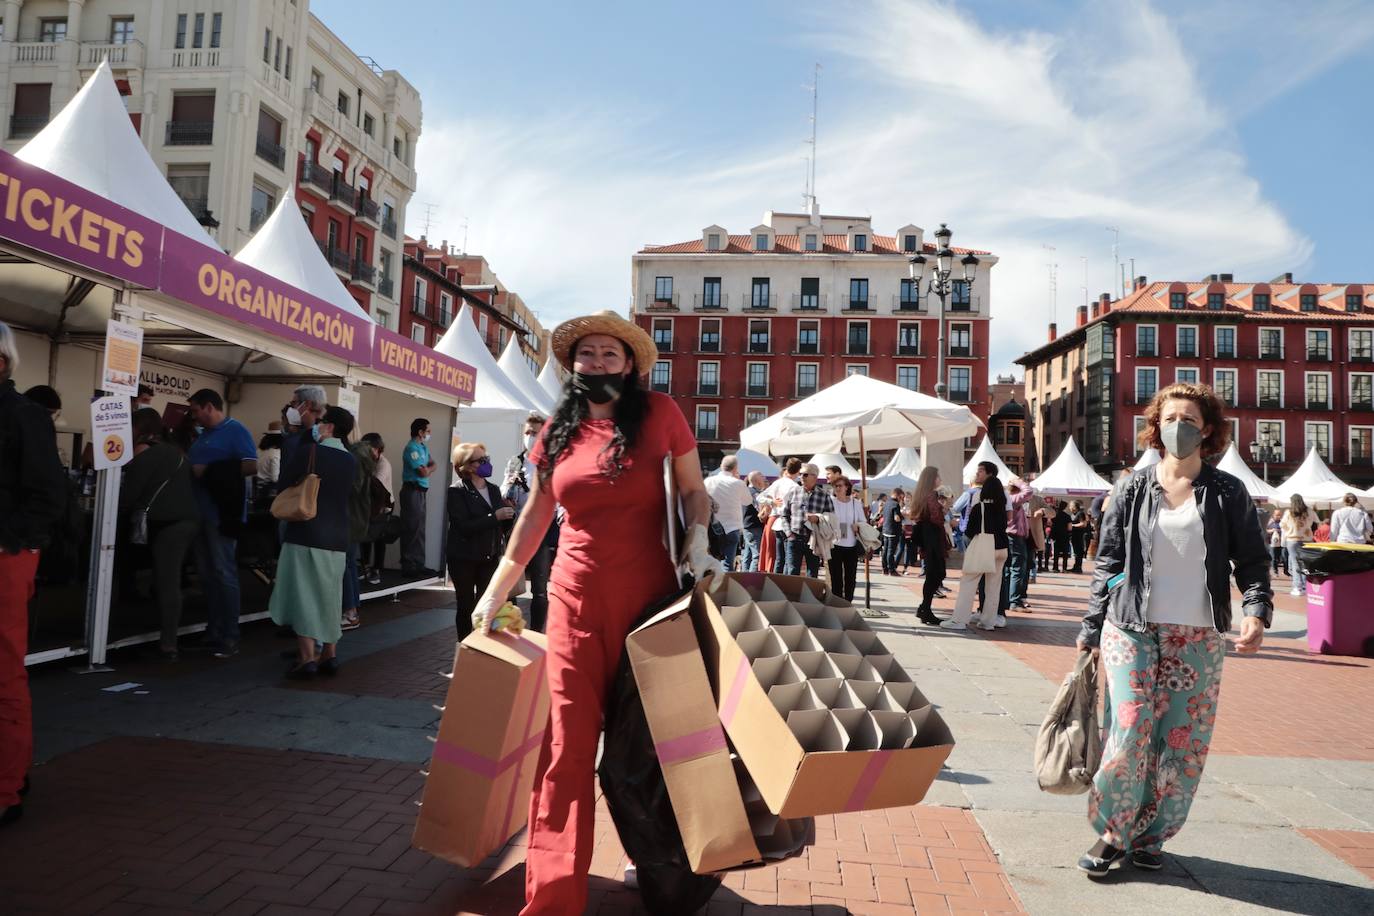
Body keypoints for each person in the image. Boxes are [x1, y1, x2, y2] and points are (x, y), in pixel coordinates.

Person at [466, 310, 721, 913]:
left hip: (652, 605)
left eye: (610, 354)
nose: (598, 363)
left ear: (629, 365)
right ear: (572, 366)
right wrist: (499, 586)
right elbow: (534, 516)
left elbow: (693, 489)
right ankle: (553, 895)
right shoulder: (555, 431)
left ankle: (666, 872)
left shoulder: (661, 415)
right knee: (566, 748)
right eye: (587, 355)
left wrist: (701, 536)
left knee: (653, 749)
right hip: (574, 600)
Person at [1076, 382, 1270, 876]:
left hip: (1198, 633)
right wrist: (1092, 627)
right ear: (1155, 426)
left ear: (1207, 430)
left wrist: (1255, 610)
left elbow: (1251, 561)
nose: (1177, 426)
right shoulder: (1131, 487)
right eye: (1169, 417)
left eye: (1188, 418)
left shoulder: (1228, 492)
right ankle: (1113, 832)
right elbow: (1109, 563)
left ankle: (1152, 835)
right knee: (1131, 726)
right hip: (1130, 626)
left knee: (1179, 742)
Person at [0, 322, 65, 827]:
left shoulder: (24, 416)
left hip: (7, 554)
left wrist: (16, 540)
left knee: (4, 672)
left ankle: (6, 785)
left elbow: (47, 492)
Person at [120, 408, 200, 659]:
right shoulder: (177, 452)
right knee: (168, 579)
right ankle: (167, 638)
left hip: (166, 524)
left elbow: (128, 498)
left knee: (167, 581)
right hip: (186, 522)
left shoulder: (145, 456)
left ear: (140, 430)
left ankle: (168, 643)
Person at [186, 388, 257, 658]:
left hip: (221, 515)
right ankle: (214, 630)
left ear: (208, 407)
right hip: (201, 513)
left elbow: (251, 466)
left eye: (195, 410)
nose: (193, 416)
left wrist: (212, 471)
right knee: (207, 574)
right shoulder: (203, 436)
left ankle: (229, 634)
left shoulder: (235, 430)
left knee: (223, 572)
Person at [449, 441, 514, 639]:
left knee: (486, 606)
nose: (486, 463)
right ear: (467, 466)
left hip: (489, 556)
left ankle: (482, 648)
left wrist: (510, 515)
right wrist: (495, 516)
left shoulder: (493, 489)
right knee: (466, 605)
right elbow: (463, 526)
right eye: (481, 460)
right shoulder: (457, 491)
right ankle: (464, 647)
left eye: (487, 459)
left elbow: (501, 526)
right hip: (464, 558)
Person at [503, 412, 558, 632]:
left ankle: (536, 632)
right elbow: (504, 491)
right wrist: (509, 487)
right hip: (517, 528)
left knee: (539, 588)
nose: (530, 436)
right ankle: (514, 630)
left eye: (534, 433)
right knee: (513, 586)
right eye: (527, 432)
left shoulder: (551, 462)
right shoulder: (515, 461)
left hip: (542, 531)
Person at [942, 470, 1008, 631]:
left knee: (969, 583)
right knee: (993, 587)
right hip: (1002, 548)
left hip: (984, 546)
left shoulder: (980, 507)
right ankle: (988, 621)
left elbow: (970, 531)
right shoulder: (1001, 508)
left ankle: (959, 620)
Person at [341, 428, 378, 632]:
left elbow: (352, 489)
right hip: (357, 519)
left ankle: (350, 611)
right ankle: (353, 608)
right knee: (350, 564)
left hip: (348, 518)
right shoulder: (363, 457)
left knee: (345, 565)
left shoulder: (353, 458)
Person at [782, 463, 834, 578]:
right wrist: (789, 534)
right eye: (800, 474)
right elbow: (784, 515)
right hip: (795, 537)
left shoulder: (824, 495)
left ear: (814, 477)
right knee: (792, 572)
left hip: (814, 539)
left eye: (805, 475)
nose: (801, 477)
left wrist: (818, 519)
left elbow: (831, 518)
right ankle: (792, 596)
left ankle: (809, 596)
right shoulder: (793, 492)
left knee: (812, 573)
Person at [400, 417, 438, 575]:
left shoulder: (423, 447)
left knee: (420, 528)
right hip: (412, 491)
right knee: (411, 527)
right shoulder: (412, 448)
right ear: (420, 432)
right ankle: (408, 564)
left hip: (421, 492)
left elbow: (433, 464)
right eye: (427, 431)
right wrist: (427, 470)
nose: (429, 434)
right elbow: (422, 471)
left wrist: (427, 470)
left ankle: (419, 563)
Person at [910, 467, 946, 626]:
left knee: (933, 574)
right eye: (938, 476)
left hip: (926, 537)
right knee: (937, 573)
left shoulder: (920, 495)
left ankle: (925, 608)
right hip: (932, 537)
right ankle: (925, 608)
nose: (940, 479)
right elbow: (937, 519)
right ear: (932, 478)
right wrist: (944, 508)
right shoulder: (931, 495)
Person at [704, 455, 753, 571]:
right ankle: (724, 587)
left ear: (721, 466)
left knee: (710, 563)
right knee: (727, 564)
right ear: (735, 468)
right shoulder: (738, 483)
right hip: (732, 527)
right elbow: (748, 501)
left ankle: (711, 586)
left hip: (711, 527)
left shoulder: (708, 481)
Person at [360, 433, 393, 585]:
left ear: (378, 449)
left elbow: (376, 486)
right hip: (369, 503)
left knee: (379, 538)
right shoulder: (367, 461)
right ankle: (365, 567)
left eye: (369, 449)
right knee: (365, 536)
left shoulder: (383, 464)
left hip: (384, 505)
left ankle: (376, 570)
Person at [758, 458, 802, 574]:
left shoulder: (778, 482)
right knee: (786, 558)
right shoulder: (795, 487)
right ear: (798, 471)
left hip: (773, 521)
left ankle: (771, 579)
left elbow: (759, 497)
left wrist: (772, 502)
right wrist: (772, 502)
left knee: (774, 556)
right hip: (786, 520)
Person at [1000, 478, 1034, 614]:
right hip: (1014, 537)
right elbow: (1028, 492)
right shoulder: (1012, 499)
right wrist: (1019, 481)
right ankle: (1014, 601)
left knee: (1010, 569)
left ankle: (1008, 600)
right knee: (1018, 568)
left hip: (1013, 537)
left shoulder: (1009, 499)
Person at [828, 476, 864, 601]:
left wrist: (858, 526)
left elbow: (863, 522)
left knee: (850, 577)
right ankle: (837, 602)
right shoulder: (831, 501)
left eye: (840, 486)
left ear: (847, 487)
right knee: (836, 577)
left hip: (851, 545)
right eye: (835, 486)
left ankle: (848, 601)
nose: (837, 488)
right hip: (834, 544)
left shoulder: (856, 503)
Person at [1280, 494, 1316, 596]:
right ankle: (1305, 586)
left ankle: (1297, 587)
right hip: (1307, 539)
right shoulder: (1309, 511)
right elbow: (1316, 521)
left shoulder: (1288, 512)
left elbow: (1282, 525)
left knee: (1295, 563)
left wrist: (1289, 530)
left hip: (1292, 539)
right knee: (1305, 563)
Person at [740, 470, 766, 573]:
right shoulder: (755, 493)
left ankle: (743, 579)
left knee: (748, 555)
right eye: (761, 475)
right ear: (756, 480)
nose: (764, 478)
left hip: (748, 527)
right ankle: (751, 581)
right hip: (754, 527)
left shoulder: (747, 491)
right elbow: (761, 510)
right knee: (757, 555)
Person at [880, 487, 906, 575]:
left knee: (885, 550)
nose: (901, 499)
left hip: (885, 529)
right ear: (898, 495)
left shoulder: (887, 503)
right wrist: (902, 516)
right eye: (901, 497)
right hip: (893, 530)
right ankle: (891, 570)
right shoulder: (895, 504)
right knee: (891, 551)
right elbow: (897, 518)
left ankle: (884, 568)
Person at [256, 422, 282, 493]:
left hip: (256, 485)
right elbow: (275, 478)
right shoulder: (276, 453)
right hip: (268, 490)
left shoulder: (259, 450)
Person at [1048, 497, 1072, 572]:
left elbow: (1049, 523)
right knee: (1065, 552)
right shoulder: (1067, 516)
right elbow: (1069, 528)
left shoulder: (1054, 515)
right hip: (1064, 535)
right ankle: (1064, 568)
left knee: (1056, 552)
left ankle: (1055, 567)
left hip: (1055, 535)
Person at [1068, 500, 1091, 574]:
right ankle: (1076, 566)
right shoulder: (1073, 514)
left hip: (1079, 535)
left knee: (1079, 552)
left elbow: (1083, 524)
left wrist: (1073, 526)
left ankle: (1078, 567)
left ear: (1074, 507)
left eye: (1070, 506)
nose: (1069, 508)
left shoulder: (1080, 513)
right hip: (1074, 535)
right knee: (1076, 552)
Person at [1266, 509, 1285, 574]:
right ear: (1273, 515)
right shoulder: (1270, 522)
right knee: (1273, 557)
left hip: (1281, 542)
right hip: (1272, 543)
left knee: (1281, 556)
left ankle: (1284, 570)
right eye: (1277, 515)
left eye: (1279, 515)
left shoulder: (1282, 522)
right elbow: (1266, 530)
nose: (1278, 516)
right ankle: (1275, 570)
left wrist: (1280, 531)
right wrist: (1272, 530)